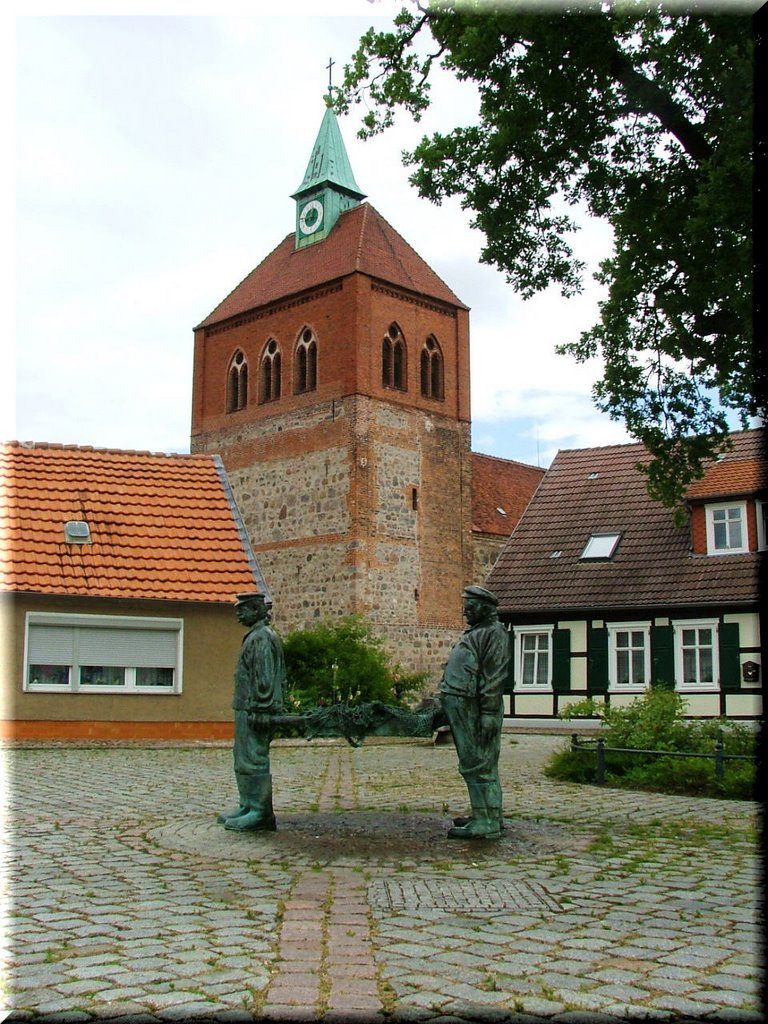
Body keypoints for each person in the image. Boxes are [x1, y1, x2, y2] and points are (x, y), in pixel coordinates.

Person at [439, 585, 510, 840]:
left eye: (469, 608)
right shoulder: (480, 631)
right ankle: (485, 813)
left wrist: (489, 712)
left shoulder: (494, 633)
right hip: (462, 704)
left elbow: (494, 675)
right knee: (474, 763)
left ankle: (486, 822)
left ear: (483, 608)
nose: (465, 612)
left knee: (478, 763)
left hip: (475, 707)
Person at [218, 592, 286, 832]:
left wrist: (261, 707)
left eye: (243, 609)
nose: (238, 614)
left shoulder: (262, 638)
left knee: (254, 758)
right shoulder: (254, 636)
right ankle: (247, 804)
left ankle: (260, 812)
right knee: (242, 756)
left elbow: (265, 678)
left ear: (257, 610)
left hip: (254, 708)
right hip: (245, 706)